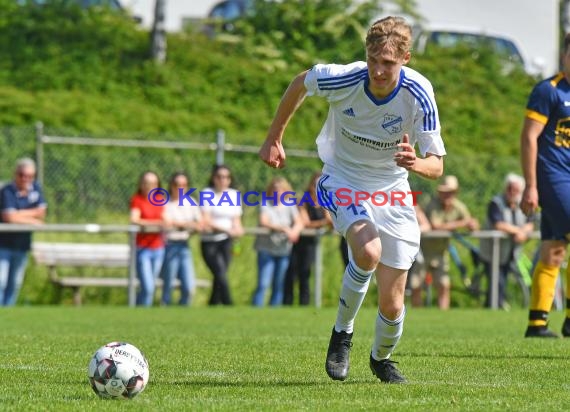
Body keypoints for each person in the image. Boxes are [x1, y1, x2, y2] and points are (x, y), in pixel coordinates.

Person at [259, 16, 446, 383]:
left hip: (392, 190)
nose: (378, 70)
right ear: (366, 54)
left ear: (406, 58)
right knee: (368, 251)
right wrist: (274, 137)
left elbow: (436, 166)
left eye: (388, 63)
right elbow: (301, 82)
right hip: (341, 179)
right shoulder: (344, 77)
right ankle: (342, 333)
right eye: (374, 59)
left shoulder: (419, 93)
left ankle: (381, 359)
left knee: (392, 305)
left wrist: (416, 163)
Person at [520, 33, 570, 338]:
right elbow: (528, 137)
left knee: (554, 248)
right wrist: (531, 186)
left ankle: (537, 323)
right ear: (564, 55)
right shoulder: (548, 91)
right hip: (553, 177)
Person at [419, 175, 479, 309]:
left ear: (455, 193)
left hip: (441, 252)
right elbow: (436, 225)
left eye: (450, 192)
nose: (447, 195)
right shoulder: (431, 203)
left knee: (444, 285)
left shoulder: (459, 207)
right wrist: (462, 223)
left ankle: (442, 315)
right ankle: (416, 315)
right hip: (421, 251)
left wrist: (472, 224)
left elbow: (471, 222)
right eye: (444, 192)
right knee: (416, 285)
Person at [479, 173, 534, 309]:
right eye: (510, 188)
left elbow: (531, 222)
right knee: (497, 282)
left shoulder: (523, 203)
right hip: (493, 252)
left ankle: (494, 306)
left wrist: (524, 232)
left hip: (512, 253)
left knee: (503, 283)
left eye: (515, 189)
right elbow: (498, 224)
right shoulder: (496, 202)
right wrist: (518, 232)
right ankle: (494, 307)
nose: (512, 192)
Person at [0, 158, 47, 306]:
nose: (25, 179)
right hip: (3, 245)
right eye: (22, 175)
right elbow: (9, 217)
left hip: (22, 245)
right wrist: (33, 220)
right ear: (16, 174)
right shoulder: (7, 190)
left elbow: (42, 212)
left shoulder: (36, 189)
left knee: (15, 282)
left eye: (30, 176)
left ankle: (8, 312)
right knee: (1, 280)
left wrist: (19, 214)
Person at [252, 176, 304, 306]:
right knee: (263, 283)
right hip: (266, 248)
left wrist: (294, 231)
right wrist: (284, 229)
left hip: (283, 249)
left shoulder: (290, 205)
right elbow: (264, 222)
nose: (278, 192)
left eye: (281, 189)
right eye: (275, 189)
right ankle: (255, 311)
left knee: (278, 284)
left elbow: (299, 222)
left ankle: (274, 312)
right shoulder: (265, 203)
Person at [283, 171, 332, 306]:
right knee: (291, 272)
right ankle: (287, 302)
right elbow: (306, 222)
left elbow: (330, 221)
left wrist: (328, 222)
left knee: (305, 273)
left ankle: (304, 303)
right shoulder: (304, 200)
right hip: (299, 242)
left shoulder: (324, 201)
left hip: (312, 244)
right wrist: (324, 223)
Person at [200, 165, 244, 306]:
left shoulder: (234, 195)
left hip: (227, 241)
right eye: (219, 176)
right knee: (220, 272)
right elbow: (206, 219)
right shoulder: (207, 193)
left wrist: (238, 229)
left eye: (226, 177)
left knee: (221, 274)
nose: (222, 180)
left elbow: (236, 219)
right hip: (210, 240)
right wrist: (226, 230)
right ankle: (228, 303)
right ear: (213, 178)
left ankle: (213, 304)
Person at [160, 172, 202, 306]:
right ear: (171, 186)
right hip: (169, 246)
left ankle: (183, 311)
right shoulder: (165, 202)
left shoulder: (191, 203)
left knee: (189, 286)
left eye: (184, 185)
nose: (180, 188)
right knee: (168, 284)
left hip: (184, 245)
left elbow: (200, 224)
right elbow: (167, 223)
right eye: (177, 184)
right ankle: (164, 310)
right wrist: (187, 224)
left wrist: (181, 225)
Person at [130, 171, 165, 307]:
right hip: (143, 249)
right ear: (141, 184)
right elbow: (134, 219)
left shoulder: (160, 199)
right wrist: (156, 223)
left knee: (149, 287)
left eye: (153, 183)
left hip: (158, 248)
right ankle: (143, 313)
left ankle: (140, 311)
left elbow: (165, 219)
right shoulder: (137, 200)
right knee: (148, 287)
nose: (150, 186)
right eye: (146, 183)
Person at [408, 203, 432, 307]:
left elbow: (426, 226)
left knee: (416, 284)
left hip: (412, 252)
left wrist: (409, 231)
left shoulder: (411, 204)